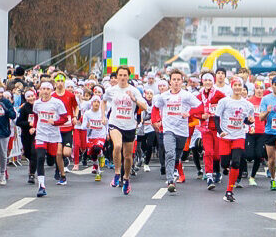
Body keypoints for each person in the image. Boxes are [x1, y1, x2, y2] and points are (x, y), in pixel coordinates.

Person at [153, 69, 201, 192]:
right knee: (169, 153)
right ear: (170, 82)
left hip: (182, 131)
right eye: (173, 79)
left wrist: (189, 113)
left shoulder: (187, 95)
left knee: (177, 156)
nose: (176, 82)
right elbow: (155, 108)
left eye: (178, 80)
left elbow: (200, 107)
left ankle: (174, 166)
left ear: (182, 81)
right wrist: (156, 121)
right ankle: (170, 180)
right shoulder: (163, 96)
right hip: (168, 129)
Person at [102, 66, 147, 195]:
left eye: (124, 75)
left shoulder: (134, 90)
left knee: (128, 156)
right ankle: (117, 173)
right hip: (115, 123)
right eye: (120, 75)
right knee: (117, 146)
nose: (122, 78)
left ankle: (126, 178)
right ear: (116, 77)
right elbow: (103, 101)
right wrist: (103, 116)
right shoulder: (111, 90)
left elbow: (144, 107)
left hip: (130, 126)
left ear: (128, 76)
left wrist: (134, 99)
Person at [214, 76, 255, 202]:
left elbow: (247, 121)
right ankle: (225, 168)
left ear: (243, 87)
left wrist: (250, 124)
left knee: (236, 162)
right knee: (225, 163)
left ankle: (229, 191)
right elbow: (216, 117)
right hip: (225, 136)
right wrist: (220, 131)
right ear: (232, 86)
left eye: (240, 85)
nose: (237, 87)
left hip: (239, 136)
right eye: (235, 85)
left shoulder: (247, 104)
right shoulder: (224, 101)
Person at [31, 81, 68, 197]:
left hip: (53, 135)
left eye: (48, 89)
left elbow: (65, 118)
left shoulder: (57, 103)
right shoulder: (36, 104)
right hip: (41, 134)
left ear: (51, 91)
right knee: (40, 157)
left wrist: (55, 122)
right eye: (43, 89)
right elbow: (37, 116)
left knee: (51, 159)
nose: (45, 91)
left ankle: (62, 162)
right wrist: (34, 127)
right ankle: (41, 186)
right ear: (40, 91)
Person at [195, 72, 226, 190]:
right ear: (202, 82)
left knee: (217, 155)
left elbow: (228, 105)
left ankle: (217, 171)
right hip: (206, 129)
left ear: (213, 81)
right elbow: (194, 110)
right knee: (208, 152)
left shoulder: (219, 94)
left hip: (217, 128)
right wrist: (201, 116)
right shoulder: (199, 96)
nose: (208, 82)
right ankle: (209, 176)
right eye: (205, 80)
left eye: (210, 80)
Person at [51, 72, 78, 185]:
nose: (60, 83)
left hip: (67, 127)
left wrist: (75, 117)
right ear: (55, 82)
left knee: (66, 153)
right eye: (58, 81)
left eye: (62, 81)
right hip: (56, 128)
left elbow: (76, 107)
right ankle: (60, 172)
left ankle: (64, 160)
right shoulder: (52, 95)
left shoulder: (70, 95)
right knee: (58, 153)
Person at [246, 81, 267, 186]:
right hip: (251, 132)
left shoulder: (266, 101)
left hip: (262, 133)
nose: (259, 90)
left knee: (259, 155)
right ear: (254, 89)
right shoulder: (249, 101)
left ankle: (252, 177)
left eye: (261, 88)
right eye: (257, 88)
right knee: (248, 155)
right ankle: (240, 175)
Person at [82, 95, 107, 181]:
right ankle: (98, 171)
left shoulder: (103, 113)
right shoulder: (87, 113)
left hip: (100, 136)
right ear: (91, 103)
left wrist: (107, 134)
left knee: (97, 149)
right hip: (91, 137)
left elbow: (106, 124)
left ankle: (101, 154)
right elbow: (83, 127)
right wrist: (87, 125)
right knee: (93, 155)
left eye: (98, 102)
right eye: (94, 102)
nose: (96, 104)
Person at [15, 89, 38, 184]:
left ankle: (32, 174)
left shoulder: (39, 106)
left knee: (34, 153)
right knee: (28, 153)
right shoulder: (24, 108)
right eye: (28, 97)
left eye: (32, 96)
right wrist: (29, 124)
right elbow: (18, 122)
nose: (31, 98)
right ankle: (31, 165)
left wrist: (35, 127)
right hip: (26, 134)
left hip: (37, 134)